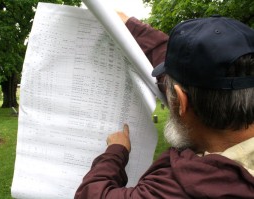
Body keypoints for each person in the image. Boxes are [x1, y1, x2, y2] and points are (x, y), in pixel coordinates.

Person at [75, 13, 254, 198]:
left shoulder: (177, 190)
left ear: (181, 102)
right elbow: (197, 75)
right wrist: (131, 27)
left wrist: (115, 152)